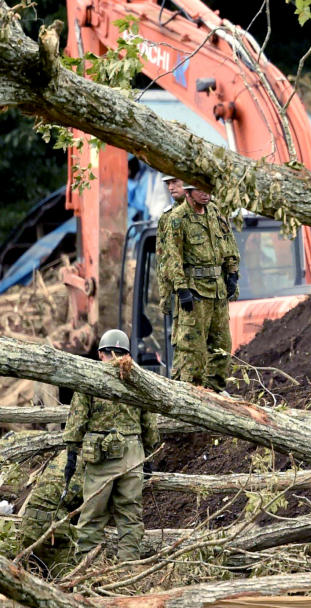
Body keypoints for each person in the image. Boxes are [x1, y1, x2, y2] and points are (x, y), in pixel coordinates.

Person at [62, 329, 159, 562]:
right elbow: (149, 423)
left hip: (101, 458)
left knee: (93, 518)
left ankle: (88, 573)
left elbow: (77, 419)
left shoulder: (90, 378)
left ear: (100, 354)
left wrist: (71, 455)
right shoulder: (139, 380)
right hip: (133, 455)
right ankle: (128, 572)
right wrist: (149, 456)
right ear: (128, 354)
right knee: (130, 518)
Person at [166, 185, 239, 390]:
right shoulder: (178, 218)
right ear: (188, 193)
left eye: (208, 189)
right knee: (192, 352)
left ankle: (213, 393)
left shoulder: (215, 212)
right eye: (200, 190)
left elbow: (228, 243)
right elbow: (173, 257)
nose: (206, 194)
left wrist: (232, 272)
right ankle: (191, 396)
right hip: (195, 292)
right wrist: (182, 289)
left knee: (222, 347)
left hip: (217, 291)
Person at [17, 449, 85, 575]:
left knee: (30, 576)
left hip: (27, 528)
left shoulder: (58, 460)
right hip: (53, 531)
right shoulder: (81, 469)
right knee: (67, 576)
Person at [157, 175, 187, 317]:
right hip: (182, 292)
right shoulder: (167, 217)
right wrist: (165, 295)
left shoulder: (208, 211)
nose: (170, 187)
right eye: (168, 183)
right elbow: (162, 258)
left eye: (175, 182)